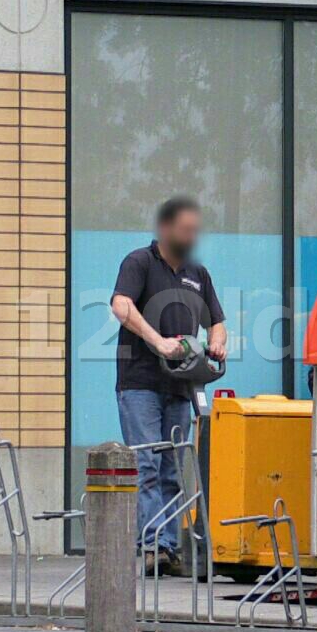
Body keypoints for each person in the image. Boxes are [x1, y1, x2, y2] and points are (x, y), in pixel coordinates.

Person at [111, 196, 227, 574]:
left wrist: (218, 342)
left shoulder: (198, 273)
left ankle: (169, 548)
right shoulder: (140, 262)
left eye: (195, 230)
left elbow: (217, 321)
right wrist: (156, 341)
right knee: (146, 463)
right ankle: (151, 547)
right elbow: (120, 305)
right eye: (185, 229)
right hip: (141, 382)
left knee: (173, 469)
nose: (191, 236)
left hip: (180, 385)